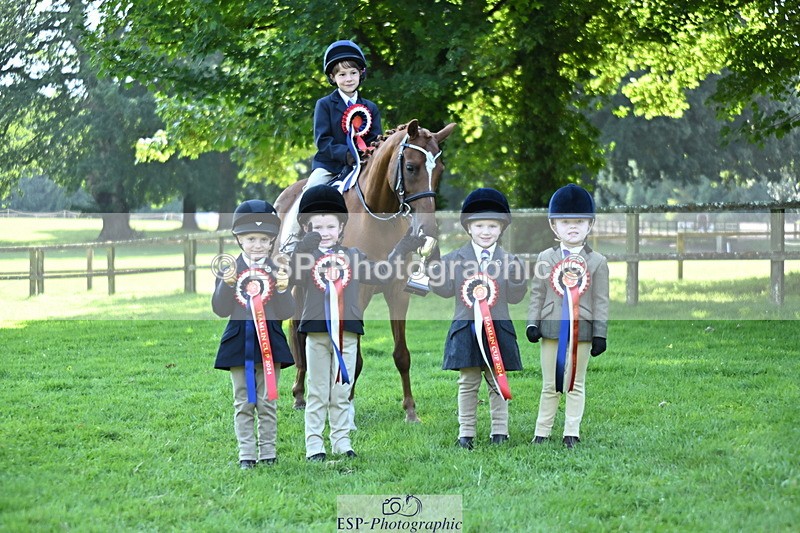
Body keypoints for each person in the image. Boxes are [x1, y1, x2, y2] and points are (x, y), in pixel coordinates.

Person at [289, 185, 423, 461]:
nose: (325, 233)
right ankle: (315, 445)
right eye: (318, 227)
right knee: (317, 392)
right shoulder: (306, 258)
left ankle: (341, 440)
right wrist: (298, 251)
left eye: (331, 227)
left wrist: (402, 247)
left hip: (347, 334)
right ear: (306, 229)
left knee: (341, 390)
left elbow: (383, 274)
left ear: (341, 229)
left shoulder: (353, 256)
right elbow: (291, 277)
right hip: (316, 334)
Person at [427, 188, 527, 449]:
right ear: (469, 228)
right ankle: (466, 433)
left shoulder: (509, 260)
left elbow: (516, 297)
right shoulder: (454, 259)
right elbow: (444, 289)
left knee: (497, 381)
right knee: (468, 382)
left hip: (498, 331)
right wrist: (432, 267)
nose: (486, 231)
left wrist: (518, 279)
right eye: (480, 225)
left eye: (492, 226)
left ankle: (500, 432)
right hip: (466, 331)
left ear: (502, 228)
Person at [211, 199, 295, 469]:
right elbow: (220, 309)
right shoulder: (229, 270)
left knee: (268, 401)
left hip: (271, 342)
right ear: (239, 239)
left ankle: (268, 452)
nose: (257, 245)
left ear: (272, 242)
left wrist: (283, 289)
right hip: (238, 344)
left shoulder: (278, 270)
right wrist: (227, 284)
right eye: (250, 239)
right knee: (243, 402)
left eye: (263, 239)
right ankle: (246, 454)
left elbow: (286, 312)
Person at [526, 184, 609, 449]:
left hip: (582, 330)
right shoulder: (545, 257)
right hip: (550, 329)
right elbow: (537, 294)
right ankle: (542, 431)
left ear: (590, 225)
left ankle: (571, 432)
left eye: (579, 221)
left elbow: (601, 301)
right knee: (550, 383)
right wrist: (532, 323)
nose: (572, 227)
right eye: (565, 222)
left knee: (576, 382)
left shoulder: (597, 262)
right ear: (554, 226)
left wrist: (600, 333)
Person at [281, 40, 382, 252]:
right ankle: (290, 242)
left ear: (361, 74)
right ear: (332, 78)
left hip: (362, 166)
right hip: (331, 165)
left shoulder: (370, 107)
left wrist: (367, 155)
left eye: (353, 73)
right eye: (342, 75)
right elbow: (323, 140)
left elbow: (376, 139)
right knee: (309, 191)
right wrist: (347, 155)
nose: (348, 79)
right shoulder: (324, 105)